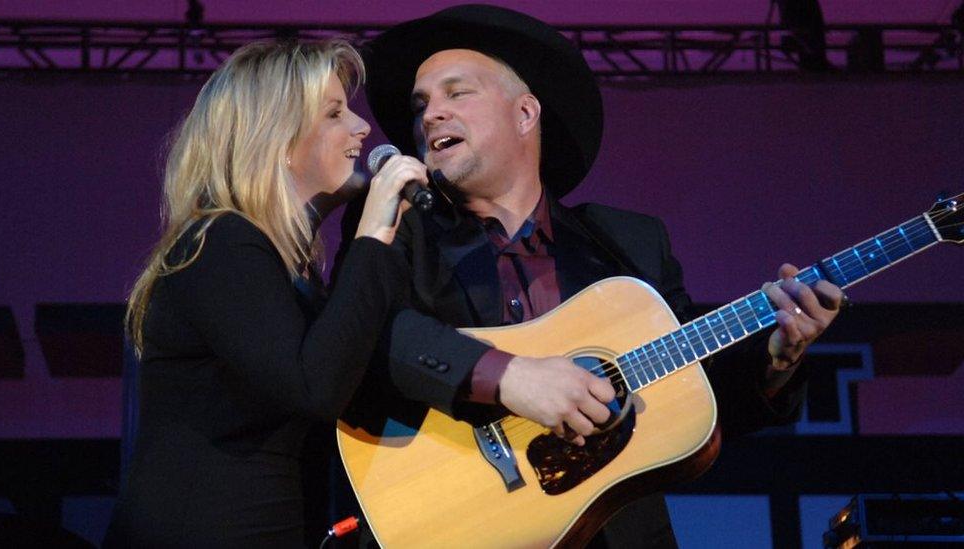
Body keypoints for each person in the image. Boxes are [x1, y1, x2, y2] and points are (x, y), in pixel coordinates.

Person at [337, 5, 845, 548]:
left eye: (456, 93)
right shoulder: (396, 223)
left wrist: (775, 361)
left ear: (526, 113)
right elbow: (364, 337)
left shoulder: (629, 243)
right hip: (449, 523)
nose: (430, 115)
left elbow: (696, 397)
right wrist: (508, 375)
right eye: (422, 105)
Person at [104, 40, 423, 548]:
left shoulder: (284, 268)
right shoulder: (221, 243)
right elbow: (315, 386)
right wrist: (372, 235)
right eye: (335, 113)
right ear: (277, 138)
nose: (362, 129)